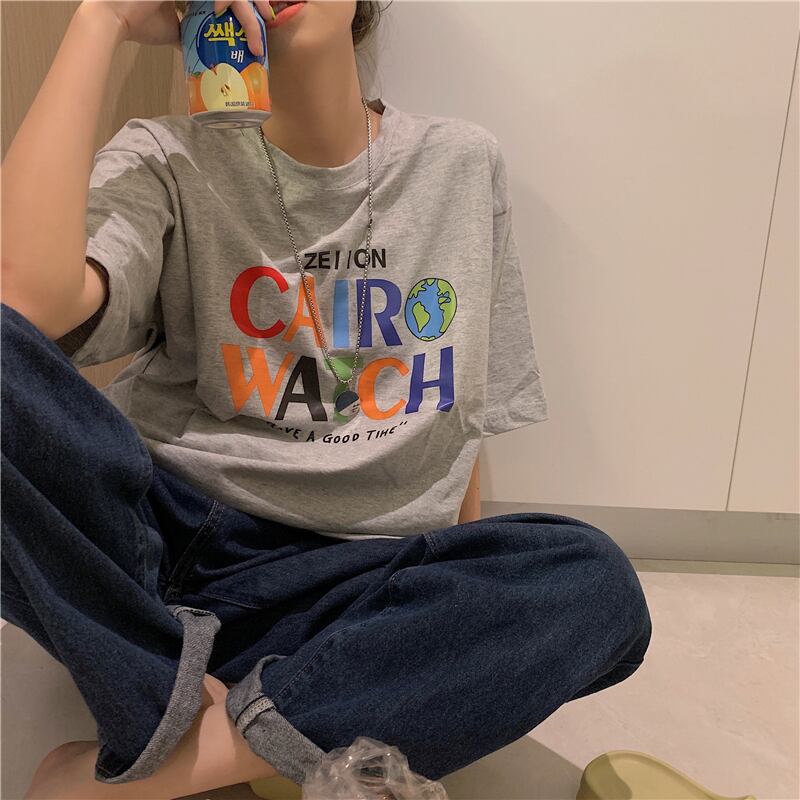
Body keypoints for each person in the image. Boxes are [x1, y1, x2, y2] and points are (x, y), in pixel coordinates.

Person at [0, 0, 653, 798]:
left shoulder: (459, 162)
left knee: (593, 581)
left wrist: (452, 609)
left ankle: (175, 754)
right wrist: (101, 17)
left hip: (354, 582)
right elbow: (22, 305)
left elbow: (461, 413)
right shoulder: (166, 158)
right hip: (163, 550)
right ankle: (261, 706)